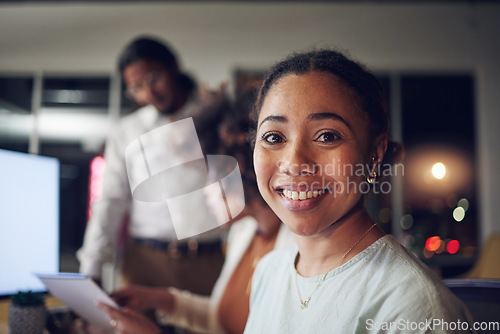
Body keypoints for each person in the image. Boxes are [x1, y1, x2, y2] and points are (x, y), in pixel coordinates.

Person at [243, 49, 474, 333]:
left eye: (327, 136)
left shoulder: (414, 306)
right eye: (274, 137)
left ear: (374, 153)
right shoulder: (270, 272)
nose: (294, 162)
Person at [97, 98, 296, 334]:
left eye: (206, 177)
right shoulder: (244, 234)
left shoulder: (295, 249)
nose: (204, 192)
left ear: (238, 169)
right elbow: (223, 320)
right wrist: (161, 299)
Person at [77, 36, 225, 296]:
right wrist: (92, 266)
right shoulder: (126, 131)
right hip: (145, 263)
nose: (149, 93)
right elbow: (110, 200)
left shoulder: (215, 118)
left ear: (173, 67)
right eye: (136, 87)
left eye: (154, 78)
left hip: (208, 260)